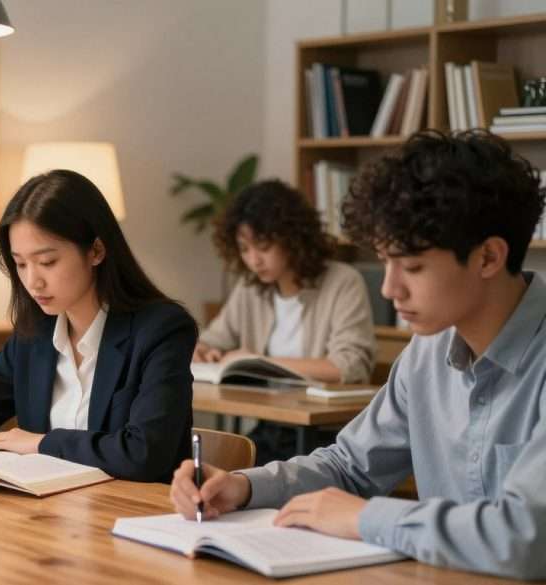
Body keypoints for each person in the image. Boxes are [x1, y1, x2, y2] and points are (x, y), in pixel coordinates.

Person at [170, 130, 546, 579]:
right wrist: (242, 486)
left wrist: (365, 517)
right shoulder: (426, 352)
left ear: (488, 257)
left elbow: (525, 536)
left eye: (412, 266)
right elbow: (349, 466)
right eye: (385, 262)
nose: (389, 288)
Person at [0, 170, 198, 482]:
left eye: (47, 262)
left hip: (130, 508)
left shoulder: (162, 330)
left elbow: (144, 452)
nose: (32, 281)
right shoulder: (35, 333)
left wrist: (41, 444)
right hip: (46, 508)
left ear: (96, 250)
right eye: (20, 263)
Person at [194, 179, 377, 462]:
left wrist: (258, 362)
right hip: (272, 427)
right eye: (244, 248)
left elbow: (348, 367)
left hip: (328, 436)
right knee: (212, 471)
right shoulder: (251, 288)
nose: (254, 260)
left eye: (263, 246)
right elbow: (212, 339)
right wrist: (203, 350)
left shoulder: (343, 281)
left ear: (293, 238)